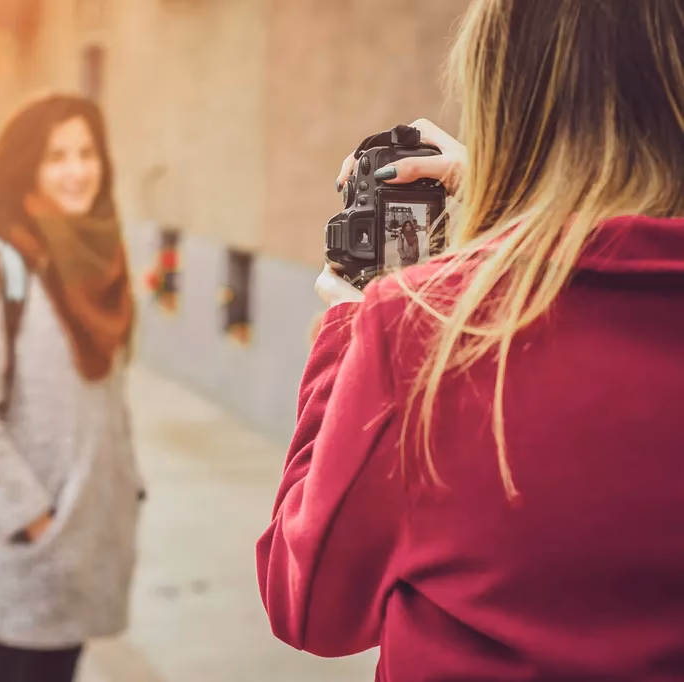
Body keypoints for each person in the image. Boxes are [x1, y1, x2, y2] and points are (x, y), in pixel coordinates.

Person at [257, 0, 684, 679]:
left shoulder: (423, 333)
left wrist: (350, 334)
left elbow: (304, 601)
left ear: (502, 102)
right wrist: (511, 199)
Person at [0, 93, 143, 682]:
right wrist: (38, 520)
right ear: (28, 167)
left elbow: (107, 398)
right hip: (27, 545)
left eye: (86, 153)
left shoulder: (100, 257)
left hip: (91, 535)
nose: (76, 171)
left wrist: (125, 488)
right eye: (56, 157)